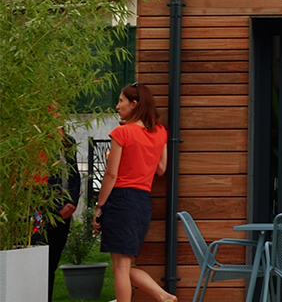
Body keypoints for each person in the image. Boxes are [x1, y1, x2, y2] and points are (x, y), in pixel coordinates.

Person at [92, 83, 176, 302]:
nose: (117, 106)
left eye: (121, 101)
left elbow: (111, 175)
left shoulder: (122, 132)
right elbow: (161, 168)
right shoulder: (160, 132)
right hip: (142, 202)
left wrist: (99, 207)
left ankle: (162, 296)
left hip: (121, 199)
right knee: (123, 265)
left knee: (120, 266)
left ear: (134, 104)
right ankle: (163, 296)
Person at [31, 131, 81, 301]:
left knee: (51, 262)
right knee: (37, 260)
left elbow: (74, 176)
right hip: (37, 211)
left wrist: (72, 202)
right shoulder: (31, 139)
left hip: (63, 211)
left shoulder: (67, 141)